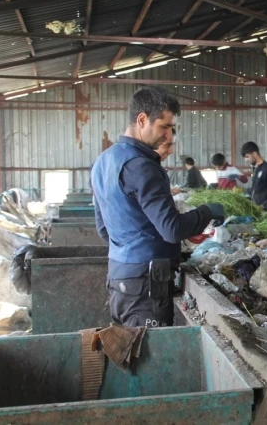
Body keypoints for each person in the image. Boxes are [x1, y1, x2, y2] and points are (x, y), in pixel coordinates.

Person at [91, 86, 225, 328]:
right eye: (164, 126)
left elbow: (103, 230)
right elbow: (171, 229)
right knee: (147, 355)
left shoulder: (103, 161)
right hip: (146, 284)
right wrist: (208, 211)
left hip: (119, 277)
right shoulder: (142, 166)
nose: (167, 135)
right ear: (142, 119)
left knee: (129, 351)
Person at [242, 141, 267, 210]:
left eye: (247, 157)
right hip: (257, 210)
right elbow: (258, 190)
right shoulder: (255, 168)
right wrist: (243, 192)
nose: (246, 160)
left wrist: (262, 206)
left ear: (254, 154)